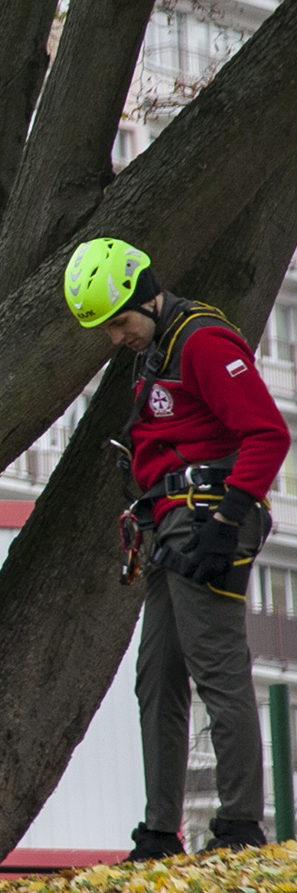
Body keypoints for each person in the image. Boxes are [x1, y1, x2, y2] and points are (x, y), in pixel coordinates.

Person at [65, 239, 288, 857]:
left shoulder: (202, 343)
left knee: (217, 669)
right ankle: (160, 831)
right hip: (170, 522)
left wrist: (227, 520)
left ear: (147, 298)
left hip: (208, 518)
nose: (115, 338)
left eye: (118, 322)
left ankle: (240, 827)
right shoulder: (158, 349)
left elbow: (268, 434)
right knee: (157, 676)